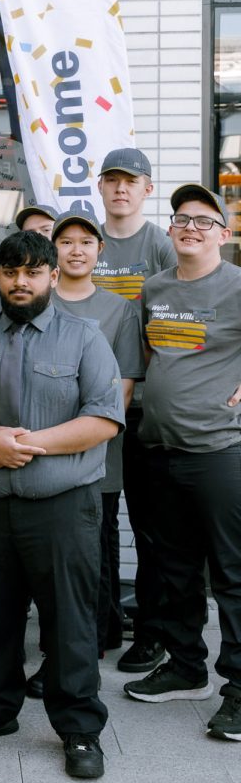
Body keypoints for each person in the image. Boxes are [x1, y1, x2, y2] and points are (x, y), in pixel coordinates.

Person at [0, 230, 123, 780]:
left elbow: (103, 419)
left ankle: (79, 727)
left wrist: (22, 444)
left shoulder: (85, 338)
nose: (21, 282)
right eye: (11, 272)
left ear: (52, 276)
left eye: (32, 272)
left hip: (62, 506)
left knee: (69, 620)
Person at [124, 184, 241, 742]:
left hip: (219, 451)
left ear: (225, 232)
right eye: (180, 218)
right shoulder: (155, 286)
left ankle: (240, 689)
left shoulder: (238, 286)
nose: (189, 226)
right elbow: (150, 355)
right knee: (173, 568)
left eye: (203, 219)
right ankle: (186, 665)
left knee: (233, 575)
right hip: (158, 448)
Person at [94, 147, 177, 677]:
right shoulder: (83, 243)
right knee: (96, 522)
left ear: (148, 189)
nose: (122, 189)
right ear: (100, 187)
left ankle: (152, 634)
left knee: (151, 527)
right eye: (113, 180)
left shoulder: (162, 247)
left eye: (133, 181)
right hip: (89, 408)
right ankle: (100, 623)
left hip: (146, 406)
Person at [51, 209, 145, 672]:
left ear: (99, 250)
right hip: (41, 449)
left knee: (97, 542)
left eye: (85, 242)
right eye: (66, 241)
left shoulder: (118, 309)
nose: (75, 250)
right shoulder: (38, 300)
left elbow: (123, 384)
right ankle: (63, 636)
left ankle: (97, 634)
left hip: (97, 448)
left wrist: (91, 434)